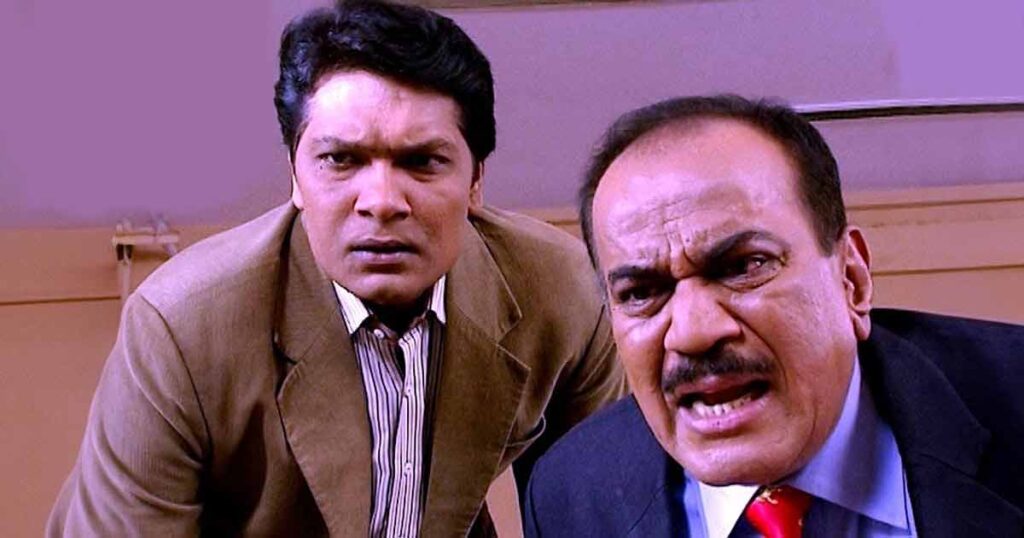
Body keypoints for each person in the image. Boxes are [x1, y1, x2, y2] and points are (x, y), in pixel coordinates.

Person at [48, 1, 623, 535]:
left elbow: (607, 511)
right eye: (341, 160)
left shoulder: (564, 292)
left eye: (423, 162)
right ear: (295, 176)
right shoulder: (180, 325)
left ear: (475, 180)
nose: (381, 202)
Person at [524, 95, 1024, 537]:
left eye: (745, 267)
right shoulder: (571, 496)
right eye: (640, 293)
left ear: (851, 280)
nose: (694, 332)